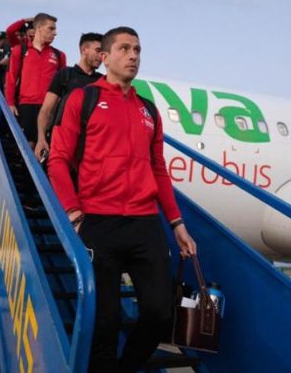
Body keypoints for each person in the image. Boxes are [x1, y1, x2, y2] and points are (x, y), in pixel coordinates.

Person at [47, 27, 197, 373]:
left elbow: (158, 169)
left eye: (138, 50)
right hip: (99, 223)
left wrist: (177, 223)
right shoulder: (82, 99)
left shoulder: (147, 109)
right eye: (125, 48)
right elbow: (58, 159)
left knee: (160, 313)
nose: (134, 56)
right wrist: (73, 212)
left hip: (145, 224)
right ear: (105, 56)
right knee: (105, 321)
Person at [34, 32, 103, 160]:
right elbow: (46, 110)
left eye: (103, 52)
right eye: (98, 50)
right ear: (84, 50)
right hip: (63, 145)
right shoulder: (65, 74)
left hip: (91, 150)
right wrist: (41, 139)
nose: (101, 56)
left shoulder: (103, 81)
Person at [5, 13, 66, 146]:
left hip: (49, 106)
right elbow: (11, 77)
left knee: (45, 144)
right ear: (39, 29)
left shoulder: (59, 55)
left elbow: (63, 84)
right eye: (51, 29)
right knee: (29, 144)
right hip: (27, 105)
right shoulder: (20, 50)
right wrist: (9, 102)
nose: (55, 33)